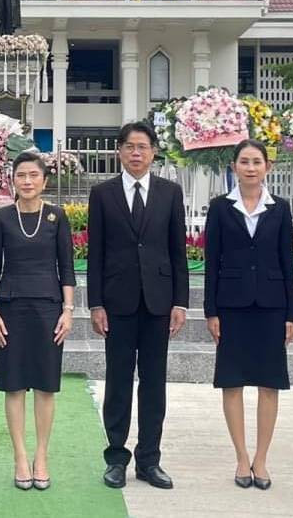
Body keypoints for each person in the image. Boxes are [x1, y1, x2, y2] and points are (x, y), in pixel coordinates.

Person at [87, 121, 188, 490]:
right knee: (117, 382)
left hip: (159, 303)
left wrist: (180, 301)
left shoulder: (169, 193)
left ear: (153, 152)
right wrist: (95, 303)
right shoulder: (103, 194)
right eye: (129, 146)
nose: (135, 153)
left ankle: (149, 459)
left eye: (142, 147)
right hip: (117, 303)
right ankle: (116, 459)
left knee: (153, 383)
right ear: (119, 151)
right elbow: (95, 253)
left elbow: (179, 251)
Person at [203, 140, 293, 490]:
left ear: (267, 167)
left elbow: (288, 262)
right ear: (234, 166)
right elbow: (212, 262)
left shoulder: (280, 208)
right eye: (244, 162)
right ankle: (242, 457)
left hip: (272, 306)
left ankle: (261, 458)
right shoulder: (220, 208)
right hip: (231, 305)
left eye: (257, 162)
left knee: (269, 382)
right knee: (232, 380)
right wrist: (211, 310)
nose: (251, 168)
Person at [0, 151, 76, 490]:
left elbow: (66, 267)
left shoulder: (57, 216)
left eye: (33, 176)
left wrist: (68, 310)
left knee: (45, 384)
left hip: (49, 308)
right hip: (10, 308)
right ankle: (20, 456)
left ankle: (41, 454)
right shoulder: (2, 218)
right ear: (13, 179)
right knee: (13, 385)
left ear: (44, 181)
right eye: (21, 175)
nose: (27, 181)